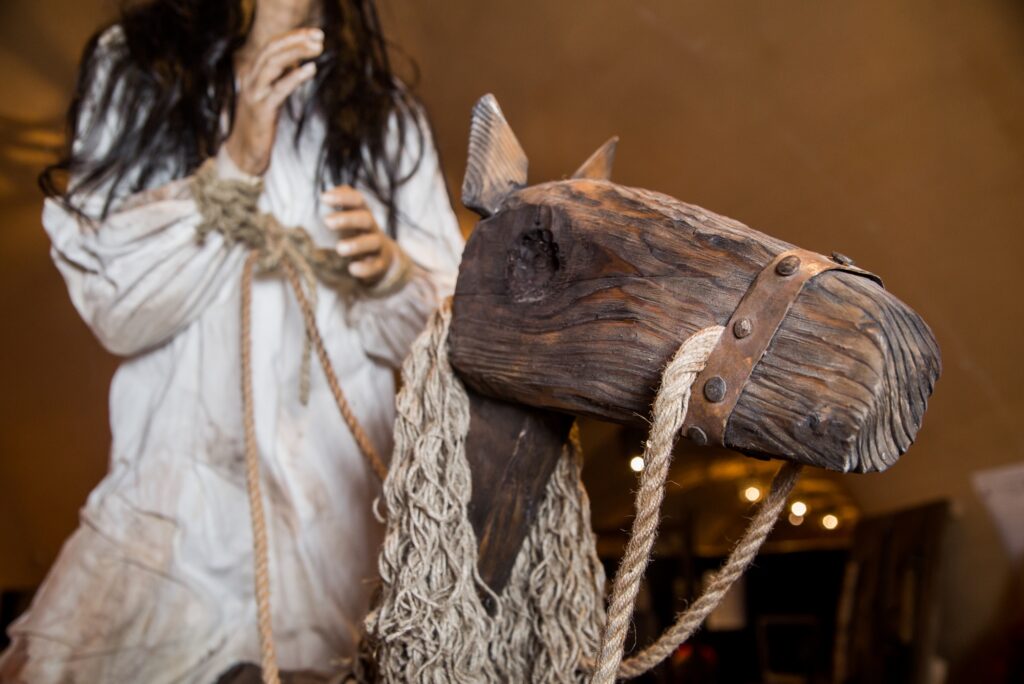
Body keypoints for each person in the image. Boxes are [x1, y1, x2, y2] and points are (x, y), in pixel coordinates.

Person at [0, 0, 463, 681]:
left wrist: (393, 277)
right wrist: (237, 163)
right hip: (173, 542)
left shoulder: (380, 115)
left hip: (339, 546)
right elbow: (118, 307)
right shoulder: (138, 70)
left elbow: (447, 341)